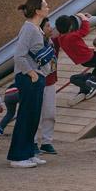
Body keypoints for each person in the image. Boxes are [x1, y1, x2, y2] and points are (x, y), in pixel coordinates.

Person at [7, 0, 51, 168]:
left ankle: (28, 153)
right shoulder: (29, 29)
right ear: (38, 11)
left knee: (33, 116)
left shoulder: (36, 29)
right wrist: (31, 73)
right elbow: (19, 55)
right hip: (28, 78)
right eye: (45, 5)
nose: (48, 7)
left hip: (36, 77)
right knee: (26, 116)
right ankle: (17, 157)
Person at [36, 17, 60, 155]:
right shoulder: (35, 44)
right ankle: (32, 142)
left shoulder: (53, 42)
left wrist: (82, 18)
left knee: (50, 113)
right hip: (36, 82)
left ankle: (46, 142)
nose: (50, 28)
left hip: (50, 82)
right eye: (47, 26)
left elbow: (65, 31)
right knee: (36, 114)